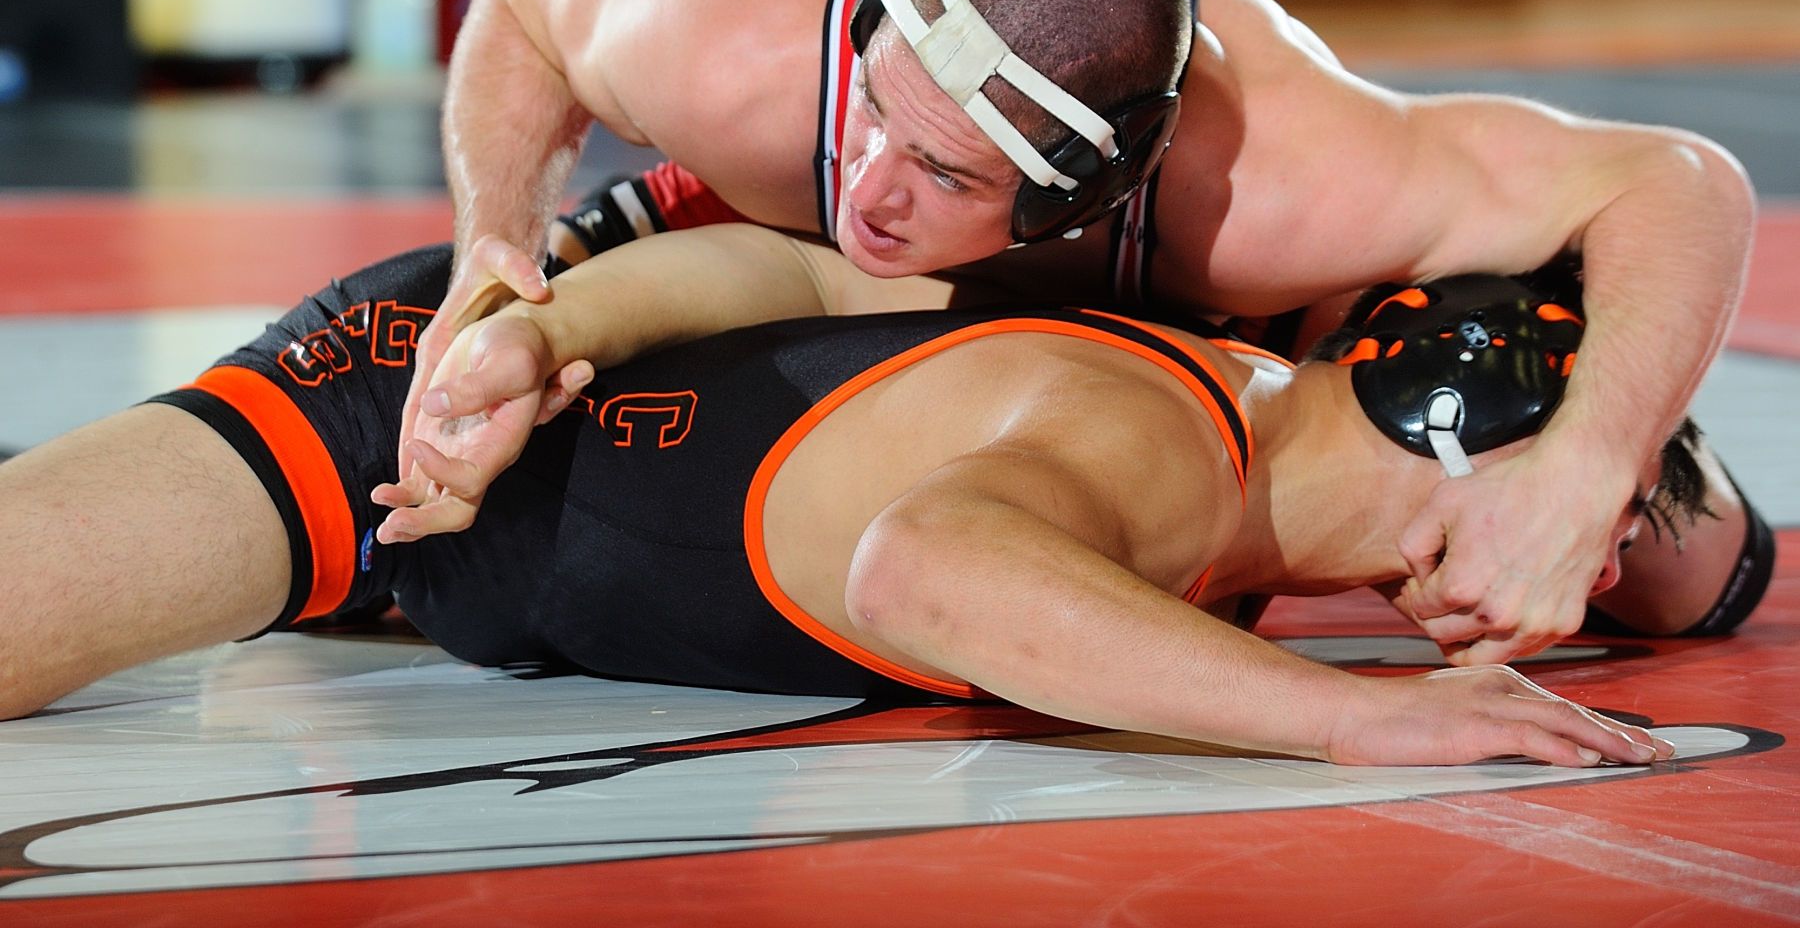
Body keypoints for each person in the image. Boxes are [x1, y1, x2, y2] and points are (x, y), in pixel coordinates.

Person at [415, 0, 1757, 668]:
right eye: (876, 113)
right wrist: (498, 232)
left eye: (945, 175)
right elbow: (526, 2)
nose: (872, 184)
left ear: (1088, 191)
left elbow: (1677, 179)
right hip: (735, 258)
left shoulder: (1270, 181)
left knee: (1689, 574)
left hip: (1189, 343)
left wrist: (1588, 465)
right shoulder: (755, 51)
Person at [0, 224, 1767, 769]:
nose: (1552, 614)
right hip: (412, 421)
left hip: (477, 559)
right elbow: (925, 565)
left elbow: (819, 283)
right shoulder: (1174, 440)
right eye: (1591, 545)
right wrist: (1353, 727)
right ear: (1475, 393)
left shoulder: (1224, 520)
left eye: (1596, 618)